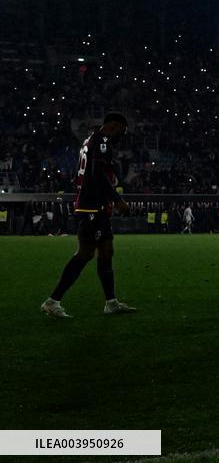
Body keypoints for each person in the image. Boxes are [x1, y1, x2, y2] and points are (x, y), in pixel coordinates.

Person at [41, 112, 136, 318]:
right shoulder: (102, 141)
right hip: (91, 206)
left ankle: (111, 302)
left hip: (94, 205)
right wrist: (116, 198)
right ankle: (53, 301)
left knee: (106, 251)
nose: (122, 135)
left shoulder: (89, 140)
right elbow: (97, 172)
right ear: (113, 126)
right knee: (85, 253)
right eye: (122, 130)